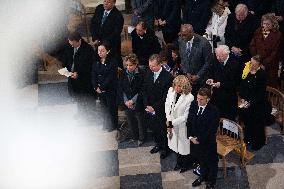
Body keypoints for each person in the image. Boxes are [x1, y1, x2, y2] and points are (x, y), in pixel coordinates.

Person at [187, 88, 219, 189]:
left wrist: (199, 139)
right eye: (197, 98)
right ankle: (202, 177)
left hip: (208, 142)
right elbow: (189, 122)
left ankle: (211, 182)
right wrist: (190, 137)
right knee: (201, 160)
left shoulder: (214, 111)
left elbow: (212, 130)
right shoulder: (193, 105)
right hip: (194, 140)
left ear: (208, 99)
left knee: (211, 163)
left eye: (201, 99)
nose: (198, 101)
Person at [143, 54, 173, 159]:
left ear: (160, 64)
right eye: (150, 66)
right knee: (155, 128)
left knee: (163, 129)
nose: (151, 68)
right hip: (150, 107)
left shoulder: (168, 77)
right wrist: (147, 104)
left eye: (153, 66)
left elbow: (166, 97)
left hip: (161, 109)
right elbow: (144, 89)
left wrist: (154, 107)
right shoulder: (148, 73)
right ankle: (158, 145)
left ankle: (165, 149)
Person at [62, 32, 96, 119]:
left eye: (73, 43)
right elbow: (65, 60)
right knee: (78, 97)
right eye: (70, 43)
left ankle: (91, 115)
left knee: (88, 98)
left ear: (79, 41)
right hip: (72, 76)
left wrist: (79, 73)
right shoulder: (69, 46)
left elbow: (90, 66)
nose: (72, 46)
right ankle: (81, 113)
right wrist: (68, 72)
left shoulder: (88, 49)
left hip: (85, 78)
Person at [165, 75, 194, 173]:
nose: (177, 88)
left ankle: (185, 165)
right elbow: (167, 106)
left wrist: (171, 123)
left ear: (185, 86)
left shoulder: (189, 97)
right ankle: (179, 163)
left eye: (179, 86)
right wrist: (169, 122)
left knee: (183, 146)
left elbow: (185, 117)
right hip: (171, 123)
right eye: (175, 85)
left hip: (182, 126)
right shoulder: (171, 90)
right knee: (175, 145)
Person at [239, 55, 267, 150]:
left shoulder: (262, 74)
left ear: (259, 65)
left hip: (258, 104)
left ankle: (258, 143)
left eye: (254, 64)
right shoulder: (247, 71)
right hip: (246, 102)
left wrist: (250, 102)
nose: (251, 65)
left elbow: (261, 93)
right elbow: (242, 85)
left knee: (256, 123)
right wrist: (242, 98)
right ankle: (248, 139)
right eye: (251, 63)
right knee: (247, 121)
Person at [177, 24, 213, 96]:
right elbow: (182, 58)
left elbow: (208, 62)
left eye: (185, 35)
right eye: (181, 34)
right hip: (187, 78)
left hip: (201, 80)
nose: (183, 37)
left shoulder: (204, 43)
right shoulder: (180, 40)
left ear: (191, 33)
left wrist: (198, 76)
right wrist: (186, 72)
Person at [250, 13, 283, 88]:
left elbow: (275, 52)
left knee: (269, 85)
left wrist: (264, 64)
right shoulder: (258, 31)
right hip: (257, 61)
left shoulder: (278, 34)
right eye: (264, 23)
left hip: (271, 64)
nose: (266, 26)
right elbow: (252, 45)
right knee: (257, 84)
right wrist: (256, 59)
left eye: (268, 24)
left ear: (273, 23)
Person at [206, 45, 239, 120]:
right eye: (217, 55)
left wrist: (221, 84)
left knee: (228, 120)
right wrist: (210, 79)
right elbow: (211, 72)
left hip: (228, 98)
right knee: (216, 117)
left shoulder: (235, 64)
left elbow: (235, 83)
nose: (218, 58)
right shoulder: (216, 60)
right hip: (216, 96)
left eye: (220, 56)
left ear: (226, 54)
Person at [92, 41, 118, 131]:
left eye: (102, 51)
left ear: (108, 51)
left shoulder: (113, 62)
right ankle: (105, 124)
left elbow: (110, 77)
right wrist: (96, 87)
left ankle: (113, 124)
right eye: (98, 51)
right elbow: (93, 75)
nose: (100, 52)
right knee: (103, 108)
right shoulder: (96, 62)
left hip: (110, 89)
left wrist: (102, 87)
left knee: (111, 108)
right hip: (99, 89)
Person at [119, 54, 145, 145]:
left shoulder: (141, 74)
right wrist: (126, 101)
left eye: (130, 65)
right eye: (127, 65)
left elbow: (142, 89)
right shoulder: (123, 73)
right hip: (127, 102)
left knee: (140, 121)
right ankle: (134, 137)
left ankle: (141, 138)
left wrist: (133, 100)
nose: (128, 67)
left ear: (136, 64)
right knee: (130, 120)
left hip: (138, 101)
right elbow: (121, 88)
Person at [90, 0, 124, 67]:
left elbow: (116, 33)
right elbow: (93, 24)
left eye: (108, 2)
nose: (105, 3)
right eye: (105, 1)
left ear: (114, 3)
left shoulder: (118, 15)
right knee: (98, 63)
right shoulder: (99, 8)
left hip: (111, 45)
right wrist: (95, 38)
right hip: (98, 42)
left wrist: (103, 43)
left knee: (112, 65)